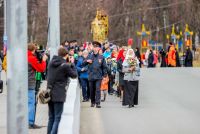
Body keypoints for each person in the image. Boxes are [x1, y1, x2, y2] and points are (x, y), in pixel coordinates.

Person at [47, 47, 77, 134]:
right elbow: (74, 75)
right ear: (66, 55)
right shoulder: (65, 65)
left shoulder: (51, 63)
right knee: (57, 117)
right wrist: (72, 64)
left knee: (51, 117)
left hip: (49, 93)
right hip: (59, 94)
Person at [28, 43, 47, 129]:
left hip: (21, 84)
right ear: (33, 50)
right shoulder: (31, 58)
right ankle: (30, 122)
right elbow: (41, 69)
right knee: (31, 103)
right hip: (29, 83)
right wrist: (43, 60)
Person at [84, 41, 107, 108]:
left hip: (98, 76)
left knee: (98, 89)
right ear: (93, 48)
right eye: (94, 47)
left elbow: (104, 67)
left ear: (99, 48)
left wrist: (105, 75)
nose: (95, 48)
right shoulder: (89, 56)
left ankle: (98, 103)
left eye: (96, 47)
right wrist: (87, 61)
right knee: (91, 90)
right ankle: (92, 102)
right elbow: (83, 63)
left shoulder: (101, 57)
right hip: (91, 76)